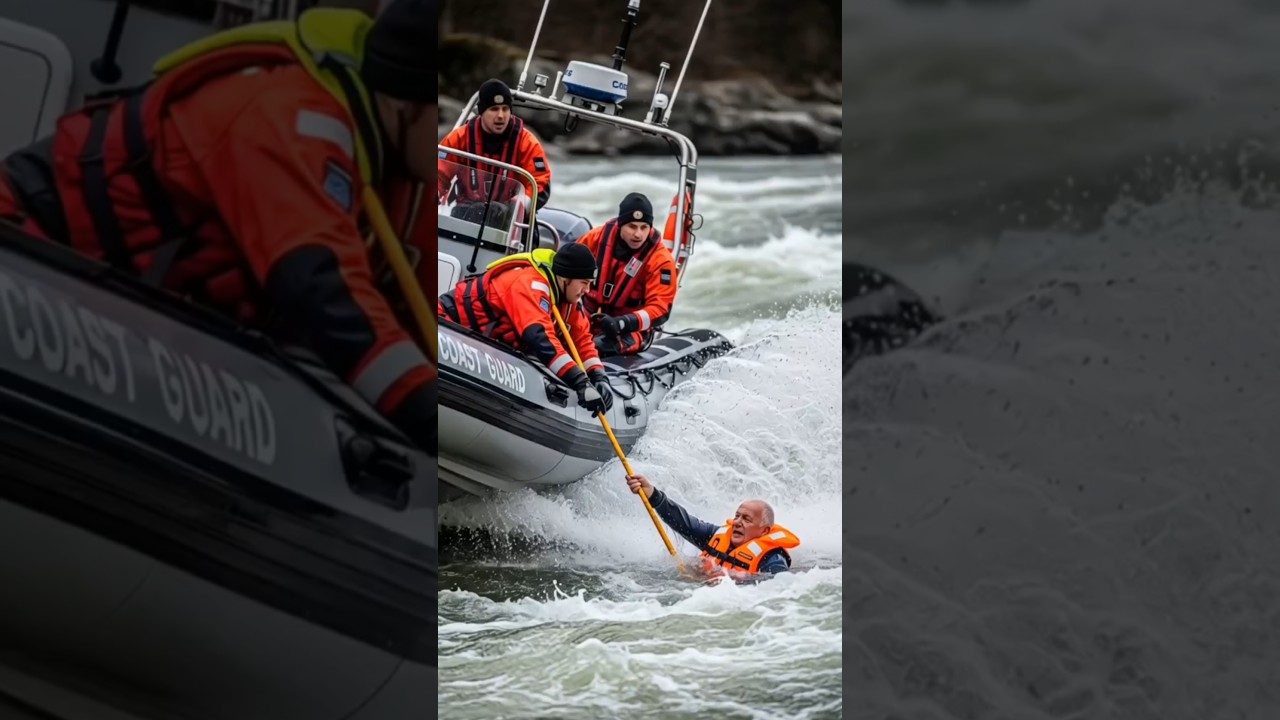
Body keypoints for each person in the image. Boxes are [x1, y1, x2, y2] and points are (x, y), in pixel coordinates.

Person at [0, 1, 440, 455]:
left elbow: (415, 308)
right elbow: (322, 286)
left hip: (133, 304)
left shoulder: (401, 170)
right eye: (438, 115)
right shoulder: (290, 117)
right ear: (403, 103)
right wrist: (427, 414)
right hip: (37, 253)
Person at [438, 244, 613, 416]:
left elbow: (582, 340)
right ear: (565, 278)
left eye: (590, 284)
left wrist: (598, 376)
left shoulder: (568, 301)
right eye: (584, 283)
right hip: (450, 325)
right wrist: (579, 381)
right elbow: (539, 337)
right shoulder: (530, 284)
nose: (587, 290)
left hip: (484, 342)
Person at [625, 474, 800, 579]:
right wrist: (652, 494)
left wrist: (733, 579)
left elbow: (777, 589)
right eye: (737, 516)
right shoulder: (718, 535)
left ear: (764, 531)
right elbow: (684, 523)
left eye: (747, 519)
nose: (738, 522)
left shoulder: (773, 559)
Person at [577, 192, 679, 355]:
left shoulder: (661, 260)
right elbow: (565, 273)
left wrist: (623, 323)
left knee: (599, 347)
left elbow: (660, 309)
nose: (638, 234)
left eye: (644, 227)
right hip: (587, 315)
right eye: (632, 226)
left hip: (630, 329)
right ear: (620, 224)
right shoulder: (595, 239)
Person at [437, 78, 552, 210]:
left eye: (505, 109)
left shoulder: (527, 143)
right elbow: (439, 174)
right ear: (481, 111)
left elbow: (540, 183)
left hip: (512, 221)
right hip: (466, 213)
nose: (501, 116)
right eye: (494, 109)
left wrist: (514, 207)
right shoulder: (459, 138)